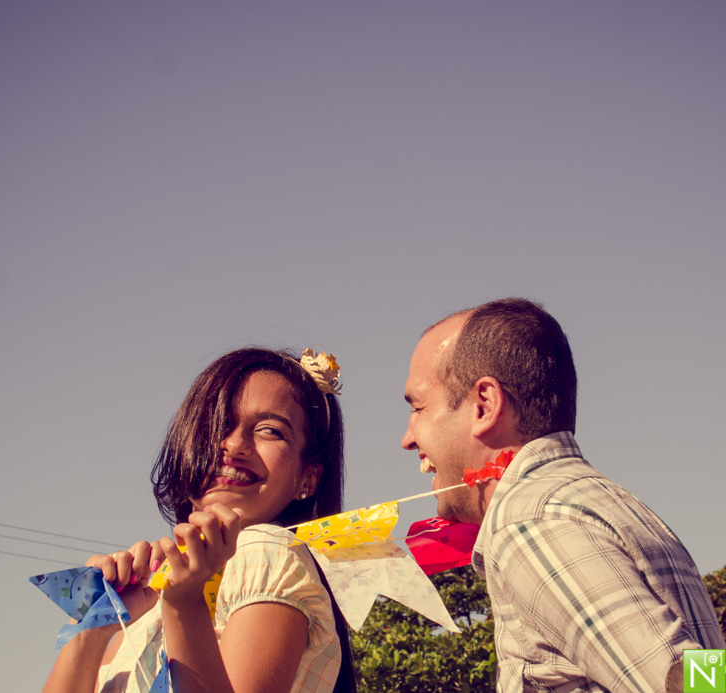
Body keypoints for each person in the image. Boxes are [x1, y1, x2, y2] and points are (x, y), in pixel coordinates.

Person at [401, 297, 724, 693]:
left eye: (418, 407)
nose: (407, 438)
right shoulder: (605, 502)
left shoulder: (530, 521)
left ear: (484, 405)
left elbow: (681, 677)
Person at [42, 347, 355, 693]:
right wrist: (91, 629)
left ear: (309, 477)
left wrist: (184, 603)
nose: (234, 444)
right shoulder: (143, 605)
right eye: (216, 424)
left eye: (269, 430)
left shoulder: (265, 549)